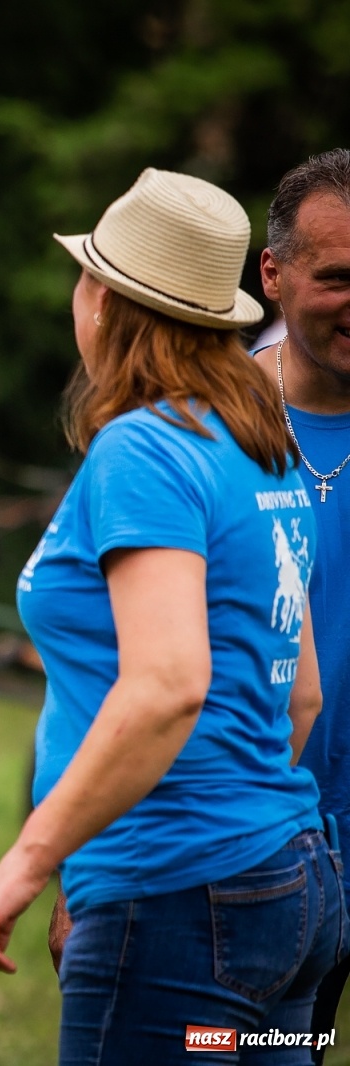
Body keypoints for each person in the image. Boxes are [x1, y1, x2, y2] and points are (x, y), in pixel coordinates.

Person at [0, 167, 342, 1063]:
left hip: (178, 910)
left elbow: (167, 685)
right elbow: (302, 695)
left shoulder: (147, 448)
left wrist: (28, 866)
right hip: (292, 887)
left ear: (111, 303)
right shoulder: (261, 438)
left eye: (86, 278)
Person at [258, 148, 350, 1059]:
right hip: (262, 846)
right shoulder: (205, 427)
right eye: (339, 279)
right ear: (274, 273)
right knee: (264, 1053)